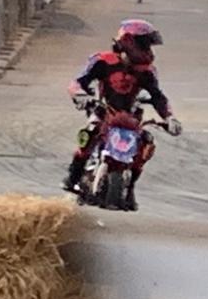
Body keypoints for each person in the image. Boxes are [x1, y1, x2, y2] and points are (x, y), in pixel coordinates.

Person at [63, 19, 183, 208]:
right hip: (104, 110)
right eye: (144, 44)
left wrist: (170, 118)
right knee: (90, 131)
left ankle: (131, 187)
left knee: (146, 143)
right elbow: (78, 82)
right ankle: (73, 176)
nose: (148, 50)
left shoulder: (148, 72)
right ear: (129, 41)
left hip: (132, 118)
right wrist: (80, 96)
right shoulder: (102, 61)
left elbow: (158, 97)